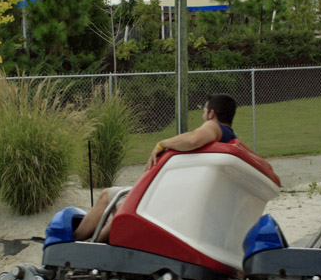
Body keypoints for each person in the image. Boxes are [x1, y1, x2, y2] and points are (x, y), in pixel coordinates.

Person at [74, 94, 239, 243]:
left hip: (168, 203)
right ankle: (93, 246)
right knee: (126, 204)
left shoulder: (214, 127)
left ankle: (76, 242)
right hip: (185, 202)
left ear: (211, 114)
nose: (203, 117)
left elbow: (192, 140)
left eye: (204, 111)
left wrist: (162, 144)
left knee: (108, 196)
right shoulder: (230, 138)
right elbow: (190, 138)